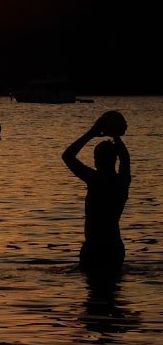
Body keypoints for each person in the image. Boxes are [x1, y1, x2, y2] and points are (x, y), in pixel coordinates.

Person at [61, 110, 131, 273]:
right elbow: (126, 159)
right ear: (115, 159)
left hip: (94, 247)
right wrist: (117, 137)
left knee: (94, 292)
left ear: (96, 160)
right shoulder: (122, 182)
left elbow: (68, 156)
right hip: (114, 247)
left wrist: (91, 133)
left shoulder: (95, 180)